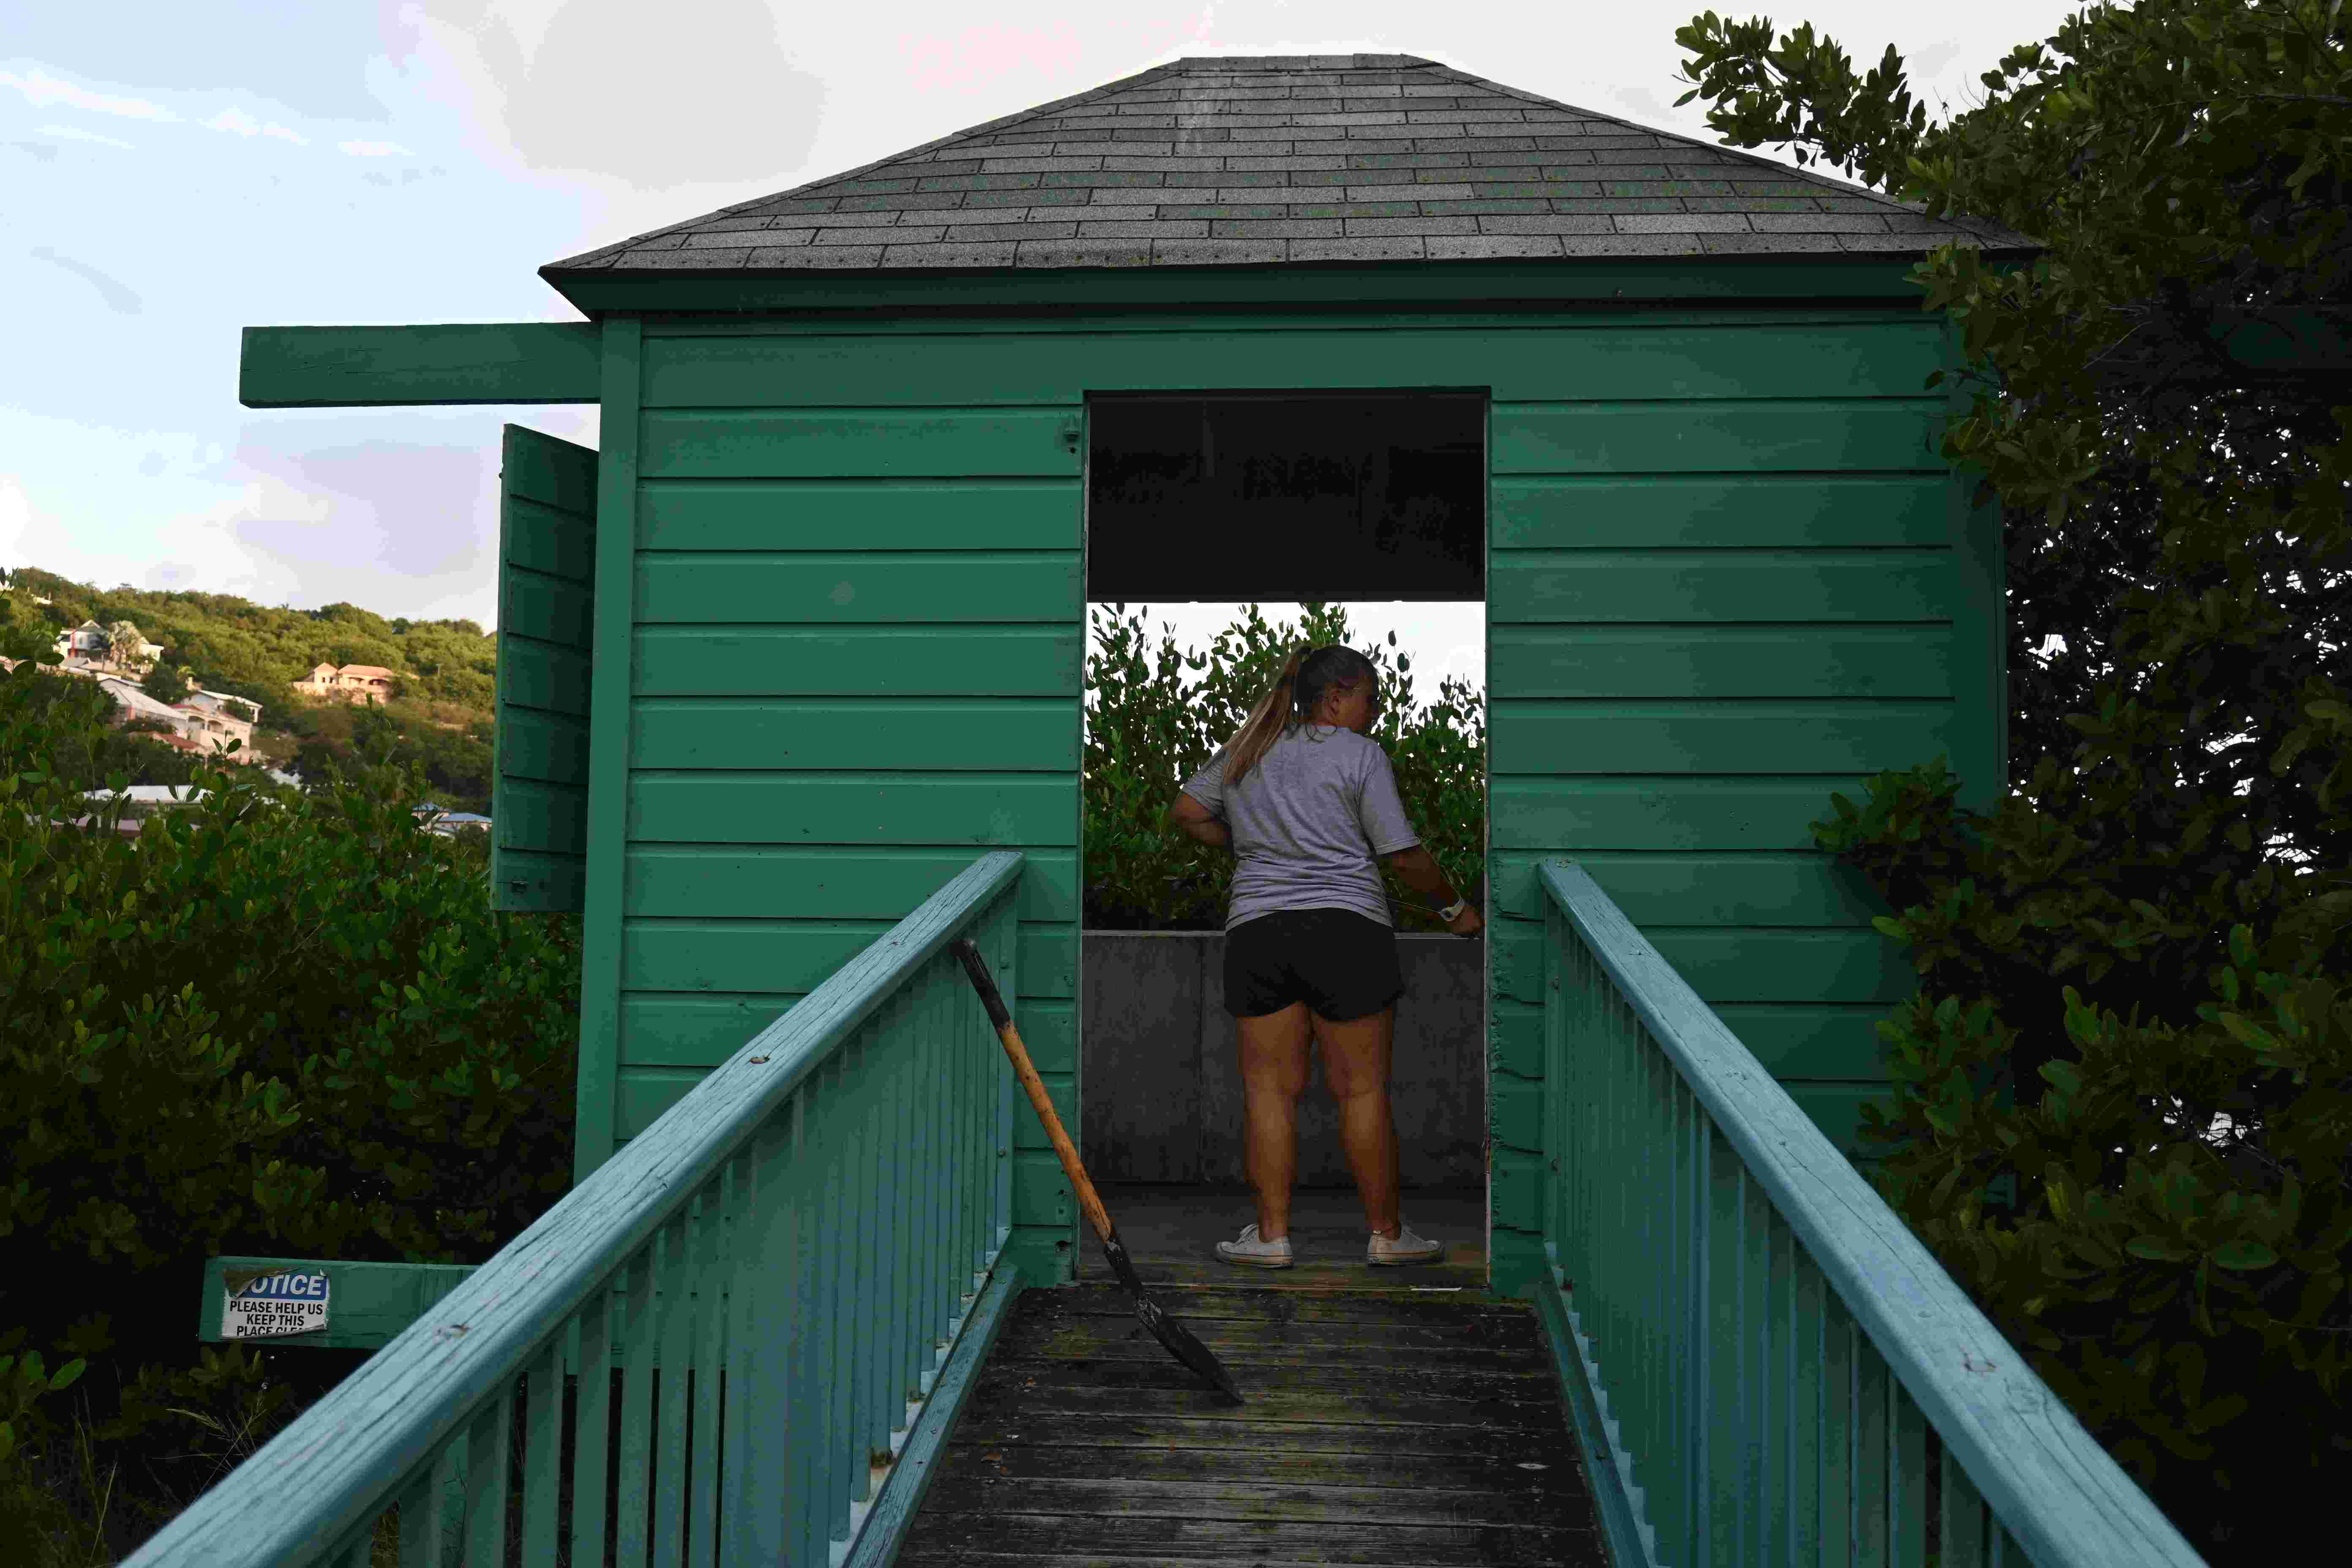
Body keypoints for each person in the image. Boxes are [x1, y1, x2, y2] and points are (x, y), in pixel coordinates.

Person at [1165, 642, 1482, 1269]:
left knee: (1268, 1092)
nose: (1376, 713)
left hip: (1258, 932)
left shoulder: (1247, 752)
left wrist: (1250, 844)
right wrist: (1456, 910)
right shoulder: (1360, 755)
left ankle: (1272, 1238)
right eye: (1371, 699)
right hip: (1346, 932)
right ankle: (1387, 1236)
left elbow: (1187, 812)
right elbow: (1401, 854)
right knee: (1362, 1091)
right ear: (1336, 696)